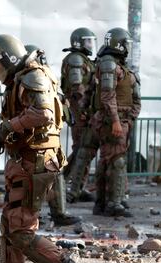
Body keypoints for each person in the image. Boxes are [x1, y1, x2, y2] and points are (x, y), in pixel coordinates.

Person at [0, 34, 99, 263]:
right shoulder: (18, 80)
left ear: (9, 58)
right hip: (23, 160)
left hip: (35, 162)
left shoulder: (32, 77)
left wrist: (10, 126)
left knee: (21, 231)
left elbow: (43, 113)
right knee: (10, 227)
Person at [25, 44, 80, 227]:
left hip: (48, 137)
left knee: (55, 175)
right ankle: (31, 215)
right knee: (31, 177)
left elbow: (58, 103)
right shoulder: (28, 82)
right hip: (35, 139)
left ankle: (58, 213)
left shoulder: (45, 79)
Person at [90, 27, 141, 217]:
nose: (128, 47)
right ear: (119, 44)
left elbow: (132, 99)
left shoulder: (116, 65)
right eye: (125, 44)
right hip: (112, 121)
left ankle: (103, 202)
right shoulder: (109, 65)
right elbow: (107, 96)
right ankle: (114, 203)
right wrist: (116, 121)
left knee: (107, 160)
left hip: (120, 120)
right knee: (116, 161)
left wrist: (129, 119)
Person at [61, 27, 97, 203]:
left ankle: (77, 187)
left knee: (83, 151)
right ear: (78, 42)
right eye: (88, 41)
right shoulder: (76, 60)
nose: (91, 44)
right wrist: (82, 112)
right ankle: (61, 184)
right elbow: (77, 89)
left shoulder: (84, 59)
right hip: (79, 112)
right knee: (80, 151)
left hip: (83, 111)